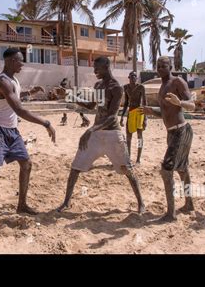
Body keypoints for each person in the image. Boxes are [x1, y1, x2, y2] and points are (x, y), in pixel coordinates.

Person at [0, 48, 56, 226]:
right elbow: (19, 109)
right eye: (19, 60)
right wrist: (46, 123)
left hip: (12, 130)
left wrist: (31, 92)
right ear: (10, 61)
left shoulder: (13, 80)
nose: (22, 64)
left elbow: (14, 97)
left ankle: (22, 204)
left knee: (27, 164)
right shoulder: (2, 81)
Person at [57, 56, 145, 214]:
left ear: (106, 66)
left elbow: (112, 116)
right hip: (96, 134)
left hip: (112, 134)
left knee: (127, 169)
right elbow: (91, 106)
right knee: (75, 168)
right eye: (93, 68)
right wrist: (71, 96)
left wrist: (90, 130)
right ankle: (66, 202)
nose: (94, 70)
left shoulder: (116, 88)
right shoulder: (98, 85)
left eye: (97, 68)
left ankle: (141, 203)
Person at [143, 56, 195, 222]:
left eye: (164, 65)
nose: (160, 68)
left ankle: (171, 214)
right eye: (158, 65)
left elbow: (192, 105)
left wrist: (180, 102)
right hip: (172, 133)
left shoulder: (177, 82)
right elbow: (166, 112)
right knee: (182, 169)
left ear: (171, 66)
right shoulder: (162, 86)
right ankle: (189, 204)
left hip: (181, 131)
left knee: (167, 170)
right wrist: (152, 111)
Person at [120, 71, 147, 164]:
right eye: (131, 76)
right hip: (131, 112)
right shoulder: (126, 87)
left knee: (139, 136)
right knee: (128, 136)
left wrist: (145, 118)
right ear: (129, 77)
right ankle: (128, 157)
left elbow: (145, 103)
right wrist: (122, 116)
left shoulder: (141, 87)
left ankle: (138, 159)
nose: (133, 78)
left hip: (140, 112)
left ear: (137, 78)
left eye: (135, 76)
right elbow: (126, 103)